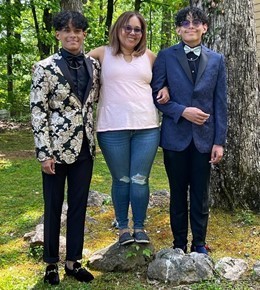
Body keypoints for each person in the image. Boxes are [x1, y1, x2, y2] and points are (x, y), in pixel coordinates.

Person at [30, 11, 100, 285]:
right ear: (58, 34)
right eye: (66, 30)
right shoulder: (44, 67)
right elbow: (37, 112)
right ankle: (50, 264)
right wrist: (44, 152)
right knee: (53, 206)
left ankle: (73, 261)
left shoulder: (95, 65)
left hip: (85, 149)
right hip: (55, 151)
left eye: (78, 30)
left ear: (84, 34)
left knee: (79, 206)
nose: (73, 34)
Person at [87, 11, 169, 246]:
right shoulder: (101, 54)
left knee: (140, 179)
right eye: (128, 28)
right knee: (121, 179)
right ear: (118, 29)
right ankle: (123, 228)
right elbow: (73, 68)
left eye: (138, 29)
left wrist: (167, 90)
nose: (132, 33)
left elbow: (164, 82)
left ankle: (140, 227)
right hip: (111, 129)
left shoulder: (150, 57)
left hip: (147, 128)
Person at [151, 6, 227, 254]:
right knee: (177, 193)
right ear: (178, 29)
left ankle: (199, 243)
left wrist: (219, 141)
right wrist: (182, 111)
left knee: (200, 194)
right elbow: (156, 95)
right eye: (185, 23)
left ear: (205, 27)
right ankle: (178, 243)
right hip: (175, 137)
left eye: (196, 23)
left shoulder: (217, 60)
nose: (190, 26)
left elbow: (220, 102)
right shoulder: (165, 56)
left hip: (205, 139)